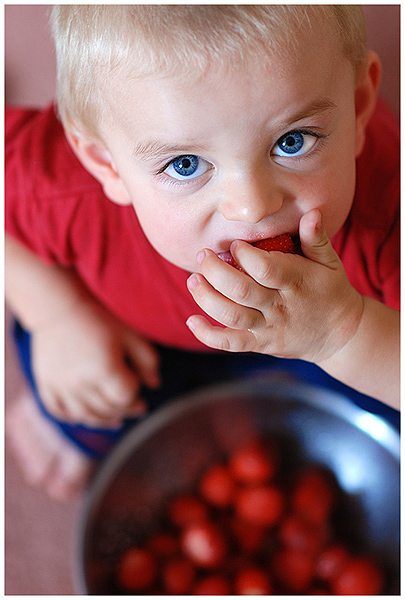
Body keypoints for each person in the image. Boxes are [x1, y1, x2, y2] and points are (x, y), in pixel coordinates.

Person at [5, 6, 399, 500]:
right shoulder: (66, 192)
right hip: (143, 339)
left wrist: (345, 334)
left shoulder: (389, 211)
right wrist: (55, 315)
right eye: (187, 165)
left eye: (292, 141)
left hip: (341, 335)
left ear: (359, 106)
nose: (252, 206)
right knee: (90, 390)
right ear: (105, 164)